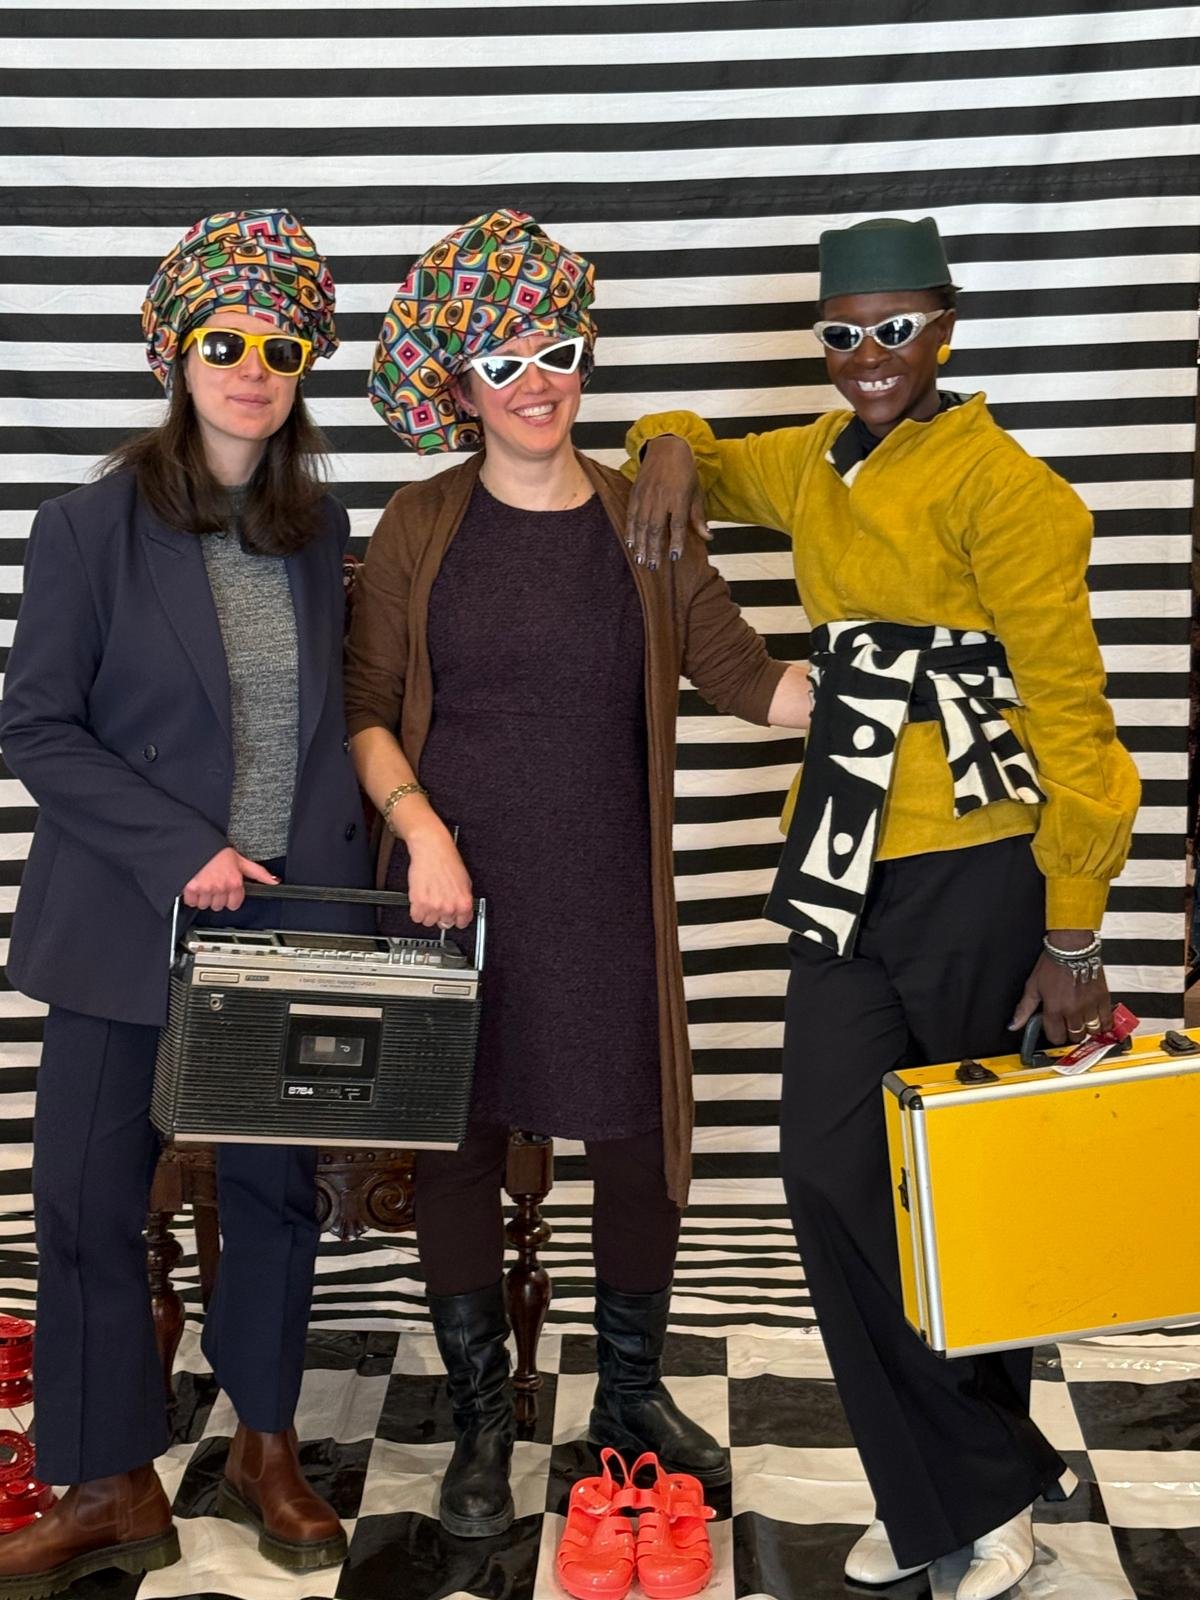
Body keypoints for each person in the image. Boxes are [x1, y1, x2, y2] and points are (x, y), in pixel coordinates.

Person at [622, 216, 1140, 1600]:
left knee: (964, 1191)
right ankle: (962, 1481)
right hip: (844, 857)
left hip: (983, 863)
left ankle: (975, 1500)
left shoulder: (1011, 492)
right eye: (842, 334)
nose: (869, 356)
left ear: (946, 328)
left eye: (896, 328)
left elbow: (1075, 722)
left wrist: (1075, 931)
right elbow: (697, 457)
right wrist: (667, 442)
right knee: (827, 1168)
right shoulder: (817, 459)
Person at [344, 208, 812, 1538]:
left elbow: (753, 682)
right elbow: (366, 709)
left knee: (635, 1138)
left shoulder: (642, 520)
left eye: (556, 352)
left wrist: (899, 682)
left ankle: (628, 1399)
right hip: (450, 891)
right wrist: (425, 833)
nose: (536, 382)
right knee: (457, 1140)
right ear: (462, 386)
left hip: (604, 894)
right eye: (504, 362)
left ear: (585, 358)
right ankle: (485, 1419)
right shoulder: (421, 521)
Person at [0, 209, 373, 1596]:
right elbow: (36, 729)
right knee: (83, 1198)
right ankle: (111, 1481)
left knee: (274, 1194)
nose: (252, 368)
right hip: (126, 915)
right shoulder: (87, 527)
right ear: (175, 355)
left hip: (284, 921)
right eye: (225, 342)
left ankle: (266, 1445)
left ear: (303, 367)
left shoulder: (320, 530)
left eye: (280, 347)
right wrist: (179, 852)